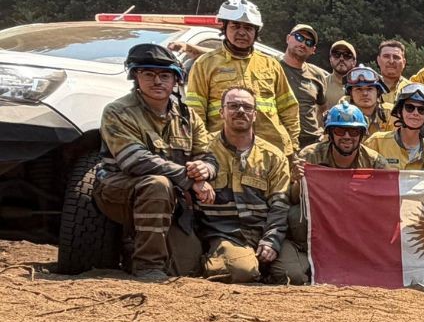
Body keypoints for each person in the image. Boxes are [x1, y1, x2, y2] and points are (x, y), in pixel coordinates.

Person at [94, 43, 217, 280]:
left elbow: (207, 153)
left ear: (175, 80)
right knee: (157, 184)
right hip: (119, 191)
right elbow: (134, 160)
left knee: (186, 267)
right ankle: (147, 266)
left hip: (172, 198)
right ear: (135, 77)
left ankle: (137, 248)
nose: (157, 81)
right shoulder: (118, 111)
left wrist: (206, 169)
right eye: (148, 74)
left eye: (165, 75)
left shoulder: (187, 115)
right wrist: (188, 180)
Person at [195, 86, 307, 284]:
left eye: (247, 107)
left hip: (262, 231)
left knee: (293, 276)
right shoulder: (202, 148)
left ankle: (258, 263)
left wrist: (271, 240)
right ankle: (214, 259)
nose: (240, 111)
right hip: (222, 232)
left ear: (254, 115)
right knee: (242, 271)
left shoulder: (273, 156)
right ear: (222, 112)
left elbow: (279, 205)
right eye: (233, 106)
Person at [185, 0, 301, 156]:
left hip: (271, 152)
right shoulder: (205, 64)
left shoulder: (271, 64)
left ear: (256, 32)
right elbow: (194, 111)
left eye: (248, 28)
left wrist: (292, 147)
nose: (242, 32)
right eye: (235, 26)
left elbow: (289, 108)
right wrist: (201, 150)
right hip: (222, 152)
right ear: (224, 28)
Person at [287, 103, 390, 245]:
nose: (347, 136)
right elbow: (293, 199)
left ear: (361, 135)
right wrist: (298, 181)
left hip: (359, 218)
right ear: (329, 133)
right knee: (295, 214)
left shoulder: (375, 163)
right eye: (340, 131)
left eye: (353, 132)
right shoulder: (310, 156)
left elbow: (389, 201)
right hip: (322, 217)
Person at [365, 83, 424, 172]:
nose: (415, 113)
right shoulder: (376, 142)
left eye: (421, 110)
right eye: (409, 107)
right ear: (399, 111)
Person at [280, 23, 327, 149]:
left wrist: (322, 131)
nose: (303, 44)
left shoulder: (318, 75)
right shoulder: (272, 67)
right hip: (281, 140)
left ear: (313, 50)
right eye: (299, 37)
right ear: (288, 38)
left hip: (311, 142)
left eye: (309, 42)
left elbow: (322, 108)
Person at [344, 65, 392, 136]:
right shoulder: (343, 115)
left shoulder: (391, 113)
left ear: (378, 92)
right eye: (358, 89)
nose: (365, 93)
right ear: (351, 93)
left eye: (370, 89)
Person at [321, 40, 357, 115]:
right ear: (330, 59)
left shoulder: (363, 86)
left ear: (354, 62)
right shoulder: (321, 85)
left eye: (347, 55)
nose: (341, 59)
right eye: (336, 54)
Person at [376, 39, 411, 107]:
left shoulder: (412, 90)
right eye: (386, 56)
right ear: (378, 60)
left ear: (404, 62)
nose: (391, 61)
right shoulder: (368, 88)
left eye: (396, 57)